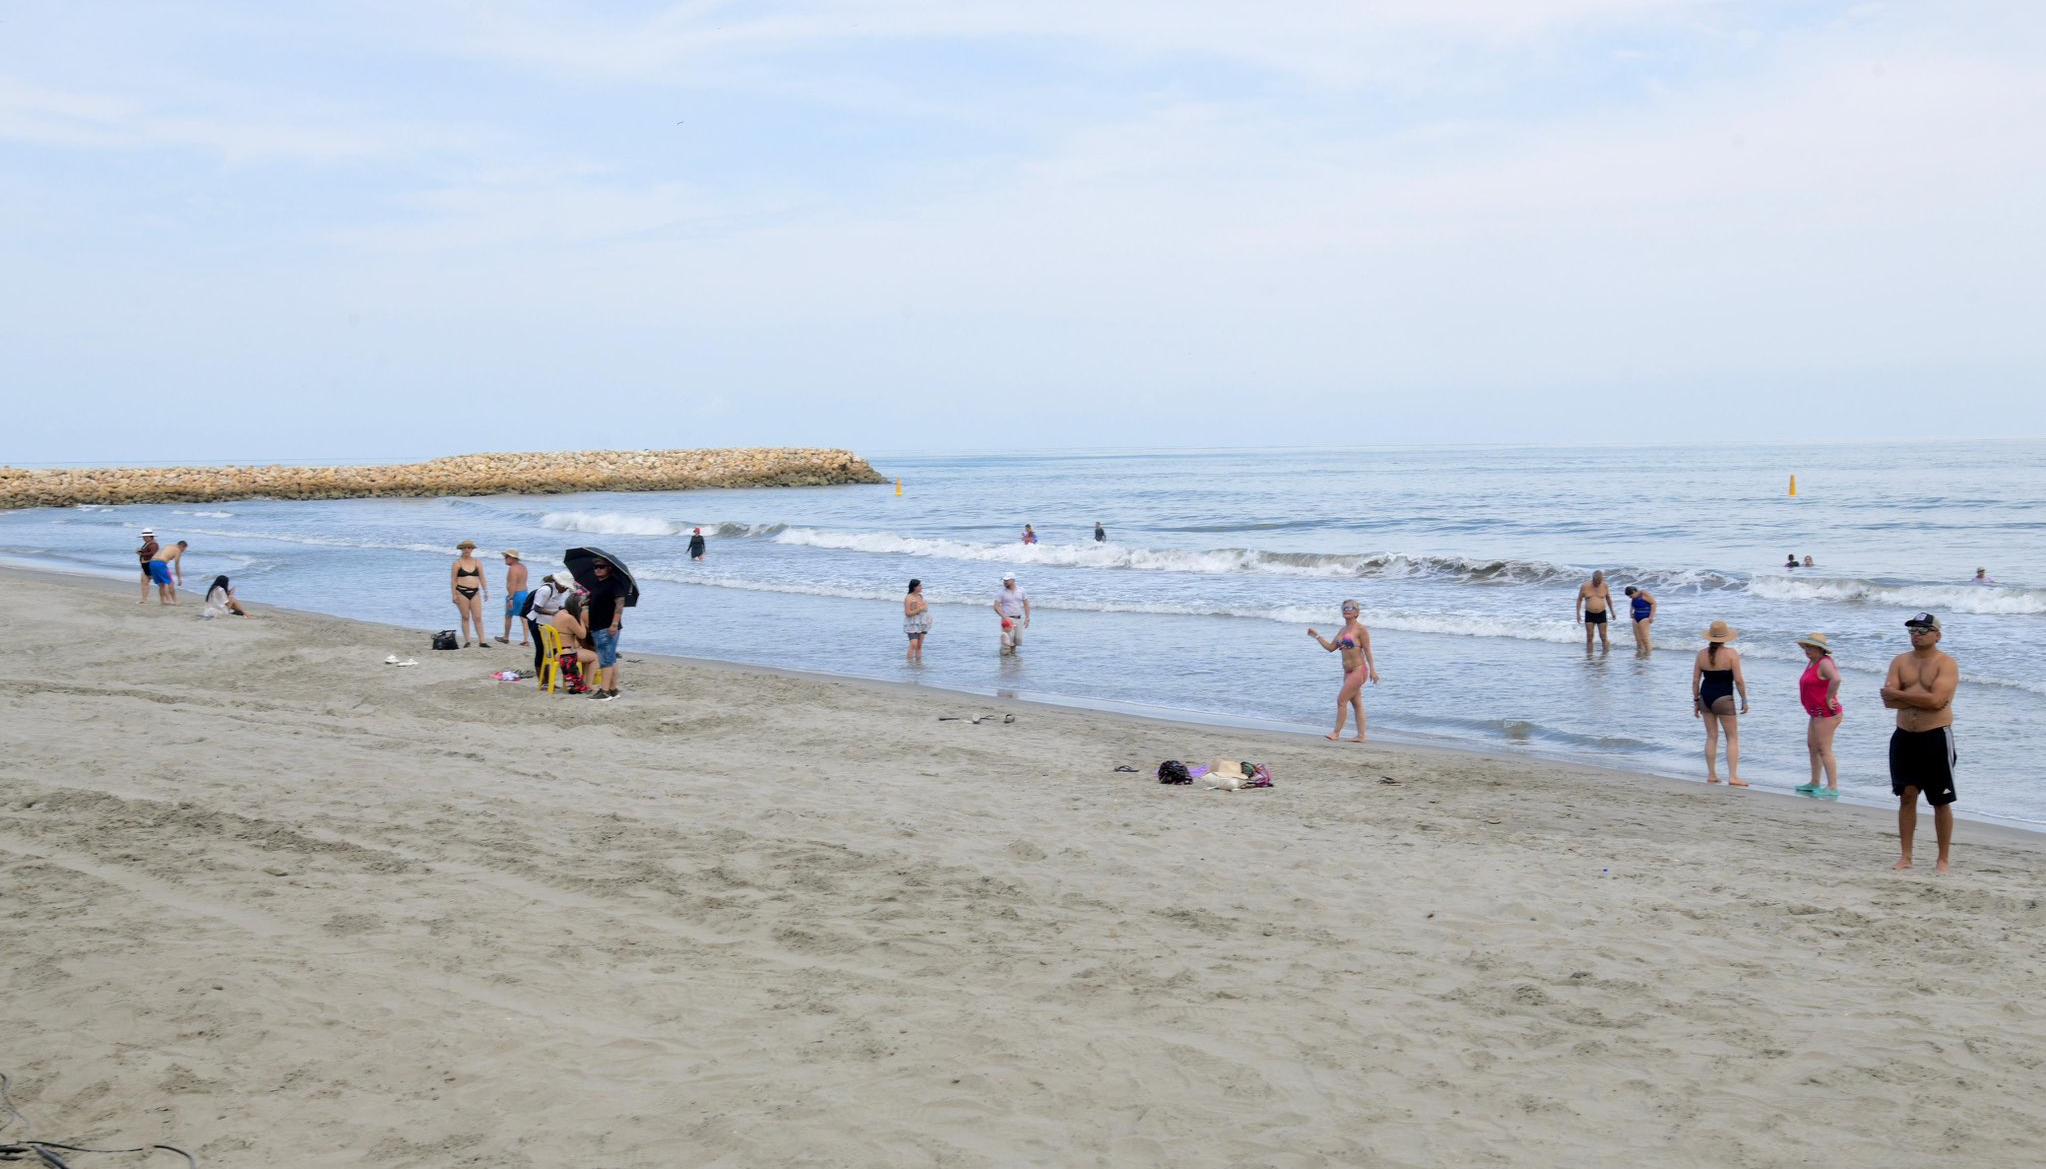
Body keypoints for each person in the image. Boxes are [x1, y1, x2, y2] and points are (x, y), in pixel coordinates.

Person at [1882, 613, 1959, 873]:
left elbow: (1937, 701)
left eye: (1924, 630)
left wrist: (1901, 695)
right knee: (1907, 795)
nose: (1917, 634)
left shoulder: (1946, 664)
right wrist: (1921, 697)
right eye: (1913, 630)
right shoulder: (1900, 661)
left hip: (1935, 735)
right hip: (1904, 735)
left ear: (1937, 635)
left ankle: (1943, 859)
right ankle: (1906, 856)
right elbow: (1887, 700)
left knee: (1940, 800)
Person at [1308, 600, 1379, 742]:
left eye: (1351, 608)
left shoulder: (1361, 630)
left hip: (1359, 670)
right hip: (1347, 672)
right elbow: (1330, 648)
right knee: (1356, 703)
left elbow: (1368, 651)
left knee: (1341, 700)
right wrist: (1316, 636)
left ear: (1357, 613)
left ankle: (1336, 733)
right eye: (1344, 608)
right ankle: (1361, 735)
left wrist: (1373, 670)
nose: (1347, 610)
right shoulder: (1342, 631)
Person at [1692, 620, 1750, 786]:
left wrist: (1696, 700)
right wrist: (1744, 700)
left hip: (1705, 697)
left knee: (1711, 736)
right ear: (1725, 637)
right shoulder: (1732, 654)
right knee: (1732, 737)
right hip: (1724, 698)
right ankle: (1733, 777)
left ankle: (1712, 774)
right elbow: (1738, 680)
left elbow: (1696, 680)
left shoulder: (1701, 654)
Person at [1794, 633, 1843, 798]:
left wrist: (1829, 697)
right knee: (1812, 746)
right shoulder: (1812, 662)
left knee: (1824, 749)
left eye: (1811, 647)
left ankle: (1832, 787)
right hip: (1815, 712)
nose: (1807, 650)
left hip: (1827, 713)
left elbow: (1836, 679)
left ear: (1821, 649)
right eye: (1806, 647)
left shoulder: (1824, 662)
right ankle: (1814, 782)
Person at [584, 558, 627, 700]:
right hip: (598, 626)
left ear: (609, 568)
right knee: (610, 658)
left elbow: (620, 604)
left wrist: (614, 623)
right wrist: (585, 600)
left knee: (605, 660)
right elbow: (596, 599)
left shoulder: (615, 584)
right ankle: (613, 689)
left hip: (607, 627)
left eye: (601, 567)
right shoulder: (597, 583)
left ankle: (604, 691)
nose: (597, 569)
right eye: (595, 567)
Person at [524, 570, 575, 675]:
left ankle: (547, 679)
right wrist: (554, 613)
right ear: (559, 583)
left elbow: (555, 605)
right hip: (536, 622)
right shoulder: (546, 590)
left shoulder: (558, 592)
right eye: (565, 587)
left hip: (547, 624)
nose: (565, 589)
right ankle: (543, 681)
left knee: (548, 652)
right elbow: (537, 608)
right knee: (541, 650)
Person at [547, 594, 600, 692]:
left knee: (587, 654)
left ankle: (585, 681)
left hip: (555, 651)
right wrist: (581, 619)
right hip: (564, 653)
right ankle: (589, 684)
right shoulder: (570, 618)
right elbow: (582, 635)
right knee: (595, 657)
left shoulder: (560, 613)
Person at [450, 540, 491, 648]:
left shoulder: (478, 562)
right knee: (465, 616)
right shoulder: (457, 563)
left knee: (478, 617)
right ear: (462, 549)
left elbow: (482, 577)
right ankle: (467, 641)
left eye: (469, 548)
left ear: (472, 549)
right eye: (465, 548)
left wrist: (486, 591)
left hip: (475, 592)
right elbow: (453, 580)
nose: (467, 550)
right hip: (461, 591)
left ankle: (482, 641)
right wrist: (454, 595)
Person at [1575, 570, 1615, 651]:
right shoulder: (1585, 586)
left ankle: (1605, 655)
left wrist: (1612, 612)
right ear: (1593, 579)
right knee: (1589, 636)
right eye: (1596, 582)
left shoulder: (1604, 585)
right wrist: (1578, 614)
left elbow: (1608, 598)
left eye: (1599, 582)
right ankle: (1589, 656)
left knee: (1603, 636)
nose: (1598, 583)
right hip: (1589, 613)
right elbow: (1579, 600)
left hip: (1601, 613)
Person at [497, 549, 529, 646]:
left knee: (508, 616)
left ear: (512, 558)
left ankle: (506, 637)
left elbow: (512, 584)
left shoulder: (513, 568)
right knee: (524, 617)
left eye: (506, 557)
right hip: (524, 593)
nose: (505, 559)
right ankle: (526, 639)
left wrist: (511, 598)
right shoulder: (523, 567)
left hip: (515, 595)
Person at [993, 573, 1030, 654]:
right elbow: (996, 606)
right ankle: (1005, 662)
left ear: (1013, 580)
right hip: (1007, 619)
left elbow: (1026, 604)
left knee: (1016, 643)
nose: (1005, 582)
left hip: (1018, 619)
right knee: (1007, 643)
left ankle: (1012, 663)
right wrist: (1004, 617)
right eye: (1004, 580)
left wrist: (1027, 618)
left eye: (1007, 580)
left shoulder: (1021, 591)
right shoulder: (1001, 592)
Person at [148, 540, 187, 605]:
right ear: (182, 546)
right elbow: (177, 565)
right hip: (160, 563)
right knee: (171, 582)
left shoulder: (169, 546)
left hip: (152, 563)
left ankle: (162, 601)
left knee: (161, 584)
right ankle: (174, 601)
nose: (184, 551)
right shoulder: (178, 550)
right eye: (184, 549)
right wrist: (179, 578)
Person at [903, 579, 931, 664]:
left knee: (919, 645)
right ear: (914, 587)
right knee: (913, 644)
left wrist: (929, 618)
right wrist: (920, 608)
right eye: (919, 585)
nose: (921, 587)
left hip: (922, 622)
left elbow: (925, 609)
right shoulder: (908, 598)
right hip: (912, 623)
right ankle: (909, 664)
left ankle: (919, 664)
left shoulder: (920, 596)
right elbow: (908, 613)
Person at [1623, 584, 1657, 653]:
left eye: (1631, 596)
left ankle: (1648, 656)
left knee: (1645, 639)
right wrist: (1630, 612)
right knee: (1638, 640)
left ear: (1634, 591)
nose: (1630, 597)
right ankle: (1639, 656)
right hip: (1636, 617)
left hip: (1645, 617)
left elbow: (1654, 603)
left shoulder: (1644, 594)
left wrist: (1651, 616)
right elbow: (1632, 604)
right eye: (1629, 596)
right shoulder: (1633, 598)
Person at [137, 529, 159, 604]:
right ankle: (144, 599)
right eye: (143, 537)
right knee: (144, 582)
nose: (144, 538)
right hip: (145, 565)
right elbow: (148, 552)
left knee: (158, 582)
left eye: (145, 537)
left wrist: (141, 554)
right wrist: (141, 551)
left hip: (150, 565)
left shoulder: (153, 544)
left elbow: (152, 553)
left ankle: (144, 599)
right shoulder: (147, 543)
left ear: (150, 536)